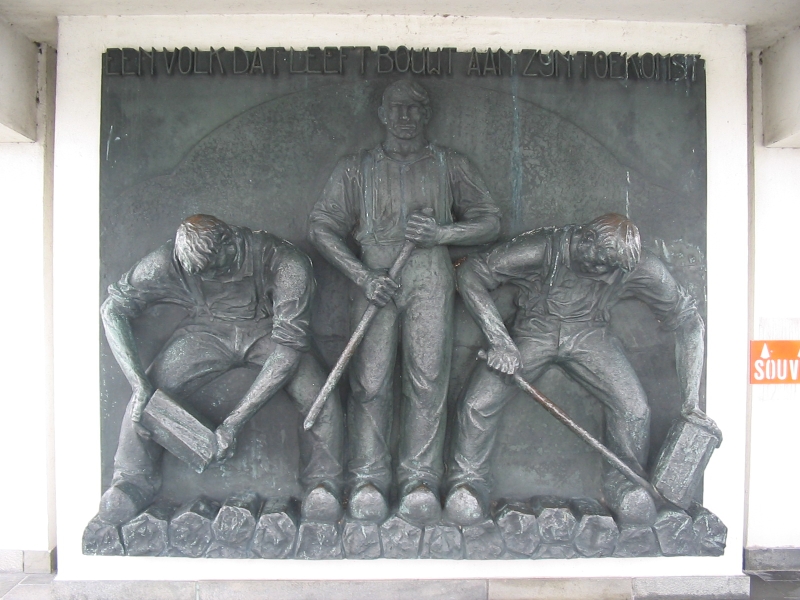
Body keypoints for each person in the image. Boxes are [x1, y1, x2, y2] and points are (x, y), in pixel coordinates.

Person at [444, 213, 720, 526]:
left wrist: (691, 402)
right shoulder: (541, 248)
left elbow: (688, 320)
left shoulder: (635, 265)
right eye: (601, 263)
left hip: (591, 336)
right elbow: (470, 273)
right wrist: (499, 340)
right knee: (476, 404)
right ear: (585, 239)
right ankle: (466, 483)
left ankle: (623, 485)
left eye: (613, 269)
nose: (605, 275)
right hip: (535, 331)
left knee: (635, 408)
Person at [308, 80, 501, 523]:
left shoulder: (450, 165)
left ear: (426, 113)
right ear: (381, 113)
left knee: (428, 379)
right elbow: (321, 225)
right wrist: (360, 274)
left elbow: (490, 220)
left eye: (415, 108)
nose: (406, 116)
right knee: (370, 381)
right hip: (375, 277)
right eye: (397, 108)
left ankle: (420, 481)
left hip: (430, 275)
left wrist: (443, 234)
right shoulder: (355, 169)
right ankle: (367, 480)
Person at [97, 214, 343, 525]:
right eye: (198, 274)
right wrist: (139, 384)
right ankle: (130, 482)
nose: (207, 278)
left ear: (230, 242)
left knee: (320, 398)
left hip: (269, 333)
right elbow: (113, 308)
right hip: (205, 332)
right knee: (143, 400)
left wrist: (233, 424)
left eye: (213, 270)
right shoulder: (168, 261)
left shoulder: (286, 263)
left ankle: (323, 483)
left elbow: (288, 350)